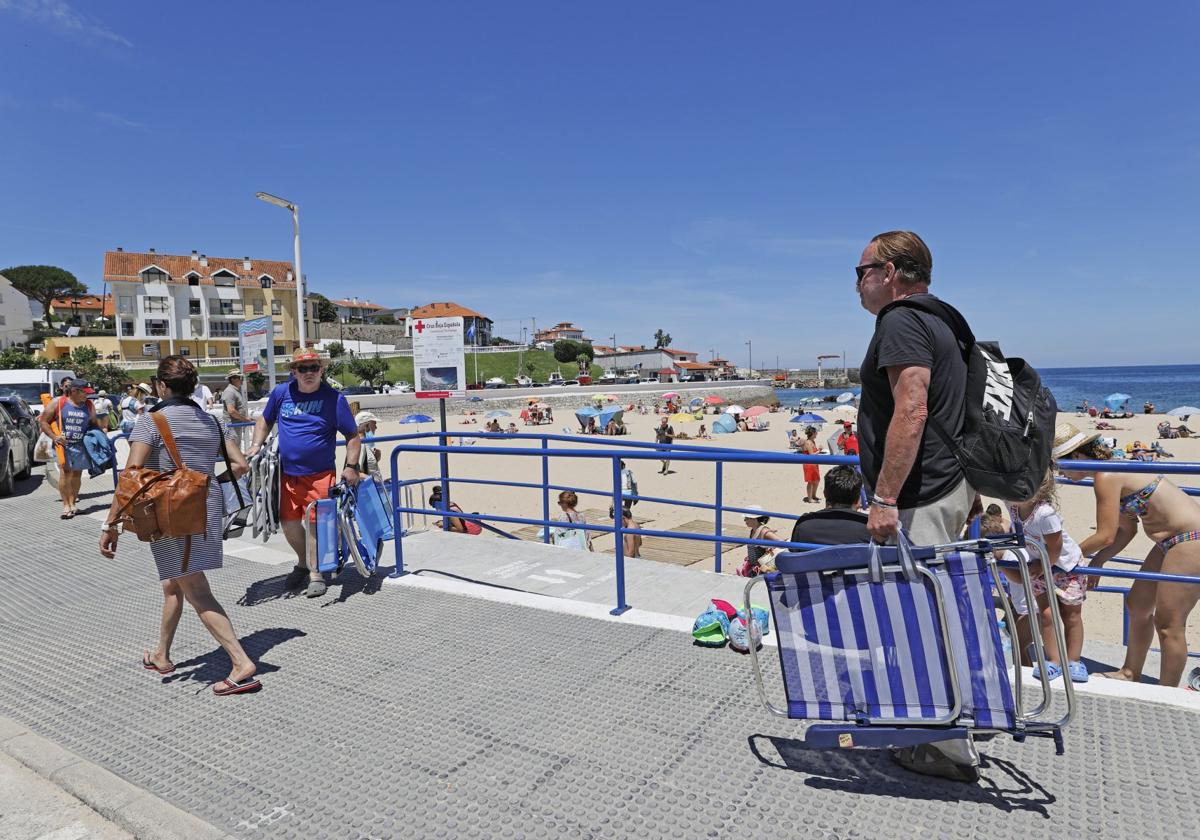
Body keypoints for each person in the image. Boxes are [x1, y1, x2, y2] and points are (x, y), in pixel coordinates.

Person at [855, 230, 979, 782]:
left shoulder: (901, 320)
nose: (857, 282)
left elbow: (912, 409)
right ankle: (939, 726)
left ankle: (945, 748)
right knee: (936, 609)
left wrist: (884, 497)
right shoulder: (943, 320)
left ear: (892, 271)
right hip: (950, 484)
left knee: (918, 617)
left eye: (862, 271)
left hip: (920, 494)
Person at [99, 356, 260, 696]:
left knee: (196, 589)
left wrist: (111, 523)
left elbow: (130, 476)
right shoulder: (213, 420)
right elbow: (240, 465)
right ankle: (161, 654)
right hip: (206, 505)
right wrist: (201, 482)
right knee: (174, 583)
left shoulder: (151, 421)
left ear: (161, 385)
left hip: (173, 512)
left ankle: (240, 662)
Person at [1055, 423, 1200, 688]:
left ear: (1076, 457)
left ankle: (1167, 693)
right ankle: (1131, 671)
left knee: (1169, 624)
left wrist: (1061, 557)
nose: (1059, 472)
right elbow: (1126, 531)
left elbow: (1105, 535)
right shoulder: (1111, 469)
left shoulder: (1105, 476)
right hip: (1170, 541)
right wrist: (1099, 559)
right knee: (1138, 605)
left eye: (1059, 465)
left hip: (1190, 539)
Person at [248, 350, 362, 598]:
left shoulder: (334, 399)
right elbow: (264, 421)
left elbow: (353, 436)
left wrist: (351, 466)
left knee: (314, 527)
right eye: (303, 368)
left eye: (313, 367)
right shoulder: (281, 393)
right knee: (289, 525)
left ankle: (315, 574)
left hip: (320, 475)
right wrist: (256, 445)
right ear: (293, 371)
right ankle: (303, 562)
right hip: (287, 475)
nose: (308, 373)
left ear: (321, 370)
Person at [1003, 469, 1088, 683]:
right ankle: (1054, 660)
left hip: (1066, 568)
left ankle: (1074, 660)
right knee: (1046, 615)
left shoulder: (1045, 514)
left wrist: (1043, 566)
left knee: (1071, 616)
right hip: (1039, 566)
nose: (1015, 492)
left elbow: (1056, 548)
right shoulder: (1012, 506)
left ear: (1038, 492)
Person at [38, 379, 102, 518]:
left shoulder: (89, 405)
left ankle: (73, 504)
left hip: (81, 446)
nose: (87, 396)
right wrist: (55, 437)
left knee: (77, 474)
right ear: (74, 391)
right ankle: (66, 505)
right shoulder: (59, 403)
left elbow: (93, 424)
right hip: (63, 446)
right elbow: (43, 422)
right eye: (84, 393)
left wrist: (98, 435)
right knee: (65, 473)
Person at [790, 465, 870, 546]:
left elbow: (794, 552)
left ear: (824, 493)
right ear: (858, 499)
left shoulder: (804, 525)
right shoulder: (869, 528)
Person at [737, 505, 783, 576]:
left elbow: (782, 542)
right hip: (754, 569)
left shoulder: (764, 531)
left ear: (754, 519)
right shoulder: (753, 530)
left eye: (747, 518)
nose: (744, 520)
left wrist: (772, 547)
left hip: (763, 570)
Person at [355, 411, 383, 480]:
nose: (376, 427)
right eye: (374, 424)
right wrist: (374, 481)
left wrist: (376, 457)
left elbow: (366, 466)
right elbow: (355, 472)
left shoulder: (364, 443)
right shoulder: (360, 445)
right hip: (370, 488)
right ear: (367, 426)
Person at [799, 425, 821, 503]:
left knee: (817, 480)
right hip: (809, 464)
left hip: (814, 463)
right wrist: (819, 451)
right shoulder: (808, 442)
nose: (817, 434)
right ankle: (810, 498)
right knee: (810, 481)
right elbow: (811, 455)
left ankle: (813, 495)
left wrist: (818, 451)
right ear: (813, 433)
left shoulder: (813, 441)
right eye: (816, 433)